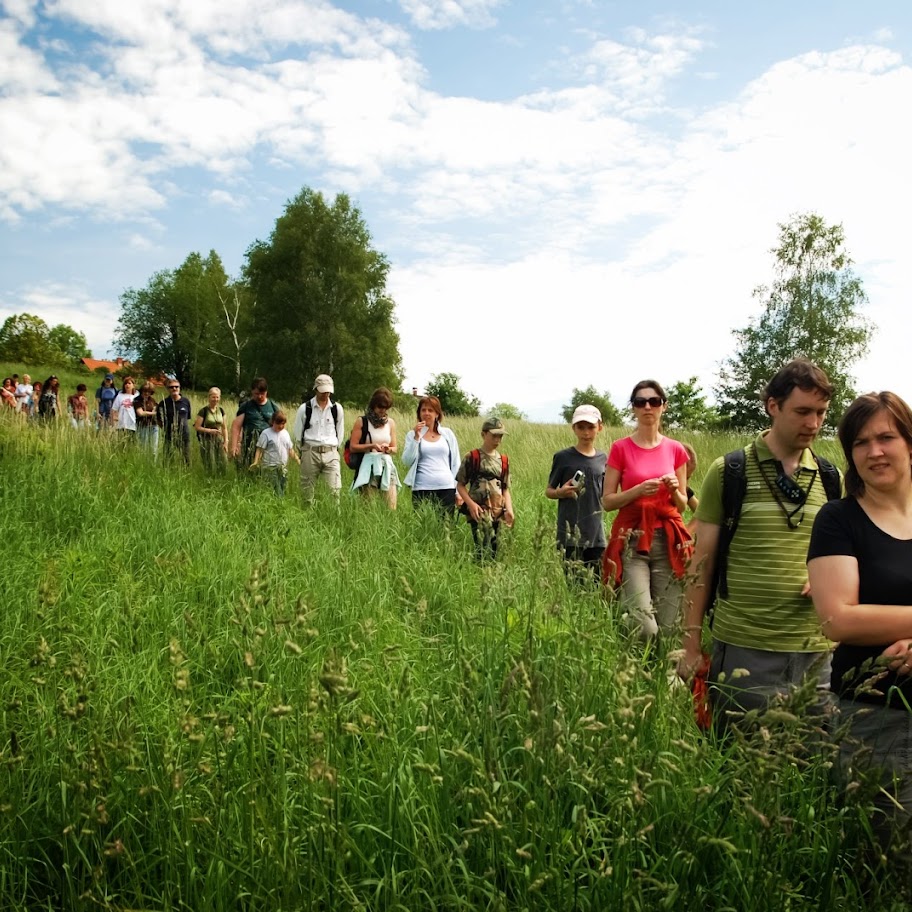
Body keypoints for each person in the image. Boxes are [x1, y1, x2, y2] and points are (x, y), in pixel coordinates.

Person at [679, 359, 839, 732]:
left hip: (816, 653)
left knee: (810, 768)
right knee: (740, 764)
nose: (813, 424)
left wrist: (831, 579)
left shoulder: (832, 479)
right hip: (744, 648)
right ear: (773, 405)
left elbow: (846, 556)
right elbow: (701, 562)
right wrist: (690, 645)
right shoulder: (730, 472)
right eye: (802, 411)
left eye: (820, 413)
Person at [808, 391, 912, 852]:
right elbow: (838, 618)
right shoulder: (839, 519)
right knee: (886, 859)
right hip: (877, 718)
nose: (874, 451)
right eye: (860, 442)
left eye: (886, 437)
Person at [601, 381, 691, 640]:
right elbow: (607, 502)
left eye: (654, 401)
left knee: (671, 626)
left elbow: (682, 505)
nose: (648, 407)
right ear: (634, 408)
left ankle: (665, 674)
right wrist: (637, 491)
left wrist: (674, 490)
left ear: (664, 406)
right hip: (632, 540)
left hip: (668, 541)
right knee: (645, 627)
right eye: (640, 402)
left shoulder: (676, 449)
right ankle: (633, 670)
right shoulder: (621, 448)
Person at [545, 404, 607, 581]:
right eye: (581, 427)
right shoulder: (563, 457)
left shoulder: (604, 459)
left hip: (596, 535)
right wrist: (560, 492)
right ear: (574, 428)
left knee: (596, 585)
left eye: (591, 427)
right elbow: (549, 491)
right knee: (574, 587)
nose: (586, 433)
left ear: (599, 428)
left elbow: (606, 493)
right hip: (569, 535)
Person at [456, 417, 514, 559]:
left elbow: (505, 489)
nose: (497, 440)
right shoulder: (472, 457)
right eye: (494, 435)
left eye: (500, 436)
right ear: (483, 434)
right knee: (480, 550)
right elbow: (460, 485)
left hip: (497, 512)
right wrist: (471, 505)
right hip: (478, 511)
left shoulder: (504, 461)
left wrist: (509, 510)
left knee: (494, 551)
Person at [401, 395, 461, 514]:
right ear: (419, 413)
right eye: (423, 410)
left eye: (430, 410)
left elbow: (456, 463)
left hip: (446, 487)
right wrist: (416, 438)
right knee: (423, 527)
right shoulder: (412, 435)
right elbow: (406, 461)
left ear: (437, 414)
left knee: (446, 528)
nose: (426, 413)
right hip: (422, 487)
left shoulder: (447, 434)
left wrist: (458, 491)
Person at [292, 374, 344, 502]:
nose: (325, 394)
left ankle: (333, 518)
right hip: (310, 451)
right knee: (307, 491)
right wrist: (303, 451)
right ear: (316, 389)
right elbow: (298, 433)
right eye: (322, 391)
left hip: (331, 452)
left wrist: (335, 449)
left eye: (328, 391)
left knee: (334, 491)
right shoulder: (305, 409)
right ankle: (306, 518)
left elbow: (340, 432)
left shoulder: (337, 409)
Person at [349, 387, 400, 509]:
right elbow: (353, 447)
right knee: (368, 507)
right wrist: (371, 446)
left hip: (386, 465)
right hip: (369, 465)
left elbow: (395, 447)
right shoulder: (362, 421)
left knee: (391, 507)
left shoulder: (390, 423)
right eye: (380, 407)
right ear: (373, 405)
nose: (382, 410)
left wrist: (388, 449)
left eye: (386, 408)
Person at [230, 378, 279, 472]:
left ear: (266, 392)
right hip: (249, 448)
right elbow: (236, 426)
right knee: (246, 473)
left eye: (262, 394)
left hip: (268, 449)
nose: (260, 396)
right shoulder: (246, 406)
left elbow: (280, 427)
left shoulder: (273, 406)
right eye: (257, 394)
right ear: (252, 392)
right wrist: (234, 446)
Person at [250, 410, 300, 496]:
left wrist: (297, 459)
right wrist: (256, 462)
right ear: (273, 422)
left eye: (283, 424)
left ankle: (280, 506)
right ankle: (280, 504)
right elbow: (259, 449)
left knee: (283, 488)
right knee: (277, 491)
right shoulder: (266, 433)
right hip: (270, 467)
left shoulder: (285, 433)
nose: (281, 426)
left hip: (283, 467)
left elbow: (290, 449)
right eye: (278, 424)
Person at [156, 379, 192, 464]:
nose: (174, 389)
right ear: (168, 389)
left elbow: (188, 417)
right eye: (171, 387)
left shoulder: (186, 401)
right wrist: (166, 428)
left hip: (184, 434)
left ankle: (185, 473)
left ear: (179, 388)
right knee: (168, 458)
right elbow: (158, 419)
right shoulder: (163, 403)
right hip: (169, 434)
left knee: (185, 458)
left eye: (176, 387)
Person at [194, 387, 228, 473]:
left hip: (219, 439)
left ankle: (221, 478)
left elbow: (224, 427)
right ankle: (209, 479)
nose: (215, 399)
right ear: (209, 397)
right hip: (206, 440)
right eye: (213, 397)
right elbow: (197, 427)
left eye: (217, 397)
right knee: (209, 462)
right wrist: (210, 431)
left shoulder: (221, 410)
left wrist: (226, 442)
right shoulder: (203, 411)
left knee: (223, 461)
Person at [135, 382, 160, 458]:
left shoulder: (152, 400)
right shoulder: (137, 400)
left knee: (154, 448)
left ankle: (153, 464)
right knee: (144, 447)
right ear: (141, 390)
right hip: (143, 426)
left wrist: (152, 411)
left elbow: (157, 408)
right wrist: (153, 413)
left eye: (149, 392)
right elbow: (140, 413)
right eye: (145, 391)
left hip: (154, 425)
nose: (146, 393)